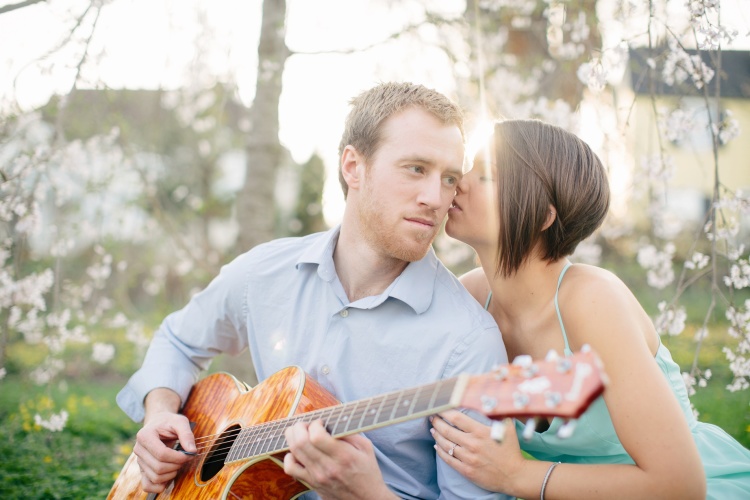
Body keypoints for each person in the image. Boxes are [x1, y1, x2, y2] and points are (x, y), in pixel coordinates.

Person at [116, 82, 512, 500]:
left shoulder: (469, 344)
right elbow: (178, 339)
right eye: (416, 168)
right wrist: (158, 414)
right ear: (353, 167)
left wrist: (368, 495)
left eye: (449, 178)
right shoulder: (264, 272)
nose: (435, 198)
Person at [430, 118, 750, 499]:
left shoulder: (591, 300)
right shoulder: (468, 298)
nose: (459, 182)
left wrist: (515, 475)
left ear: (542, 215)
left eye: (486, 176)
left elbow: (680, 486)